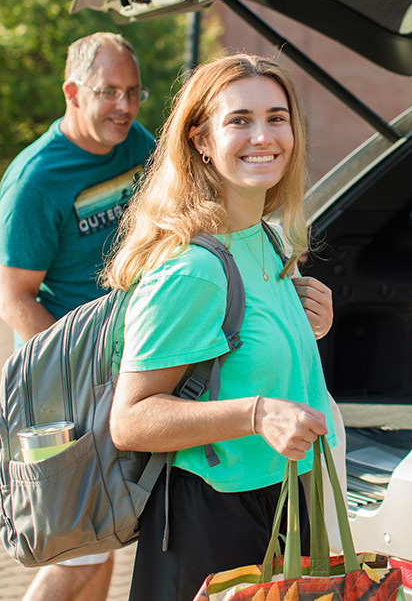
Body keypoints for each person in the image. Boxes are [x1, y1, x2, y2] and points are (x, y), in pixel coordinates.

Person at [105, 54, 335, 601]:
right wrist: (257, 414)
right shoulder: (192, 269)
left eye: (277, 118)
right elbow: (131, 421)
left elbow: (245, 359)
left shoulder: (273, 242)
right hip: (214, 519)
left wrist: (309, 330)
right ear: (201, 141)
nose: (264, 136)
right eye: (239, 120)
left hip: (283, 500)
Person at [0, 32, 154, 601]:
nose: (125, 107)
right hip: (62, 388)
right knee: (76, 551)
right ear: (72, 91)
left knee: (101, 534)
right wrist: (78, 375)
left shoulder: (136, 144)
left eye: (133, 92)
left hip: (122, 366)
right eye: (109, 91)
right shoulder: (36, 180)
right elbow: (14, 298)